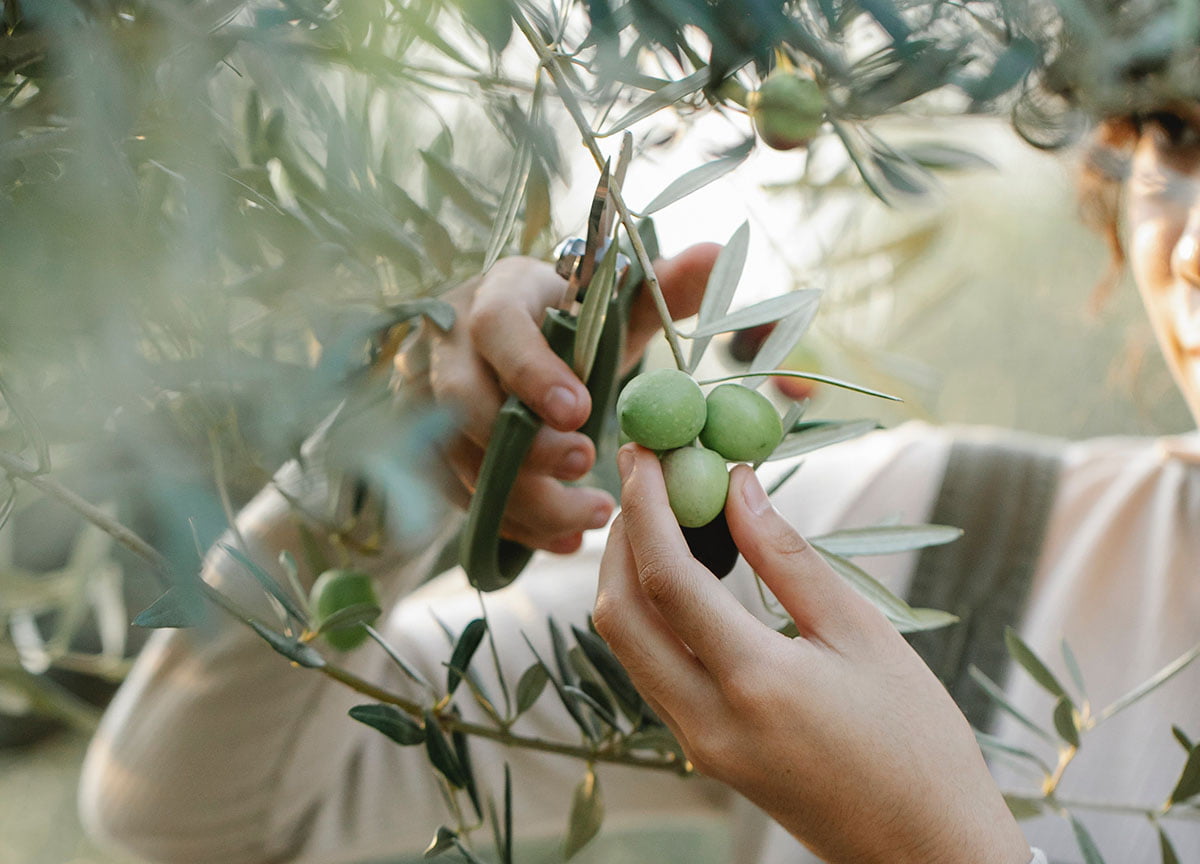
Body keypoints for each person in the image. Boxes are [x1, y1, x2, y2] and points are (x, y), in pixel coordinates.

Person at [78, 101, 1199, 864]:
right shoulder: (912, 545)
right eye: (1180, 134)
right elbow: (185, 815)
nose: (1191, 241)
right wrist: (386, 476)